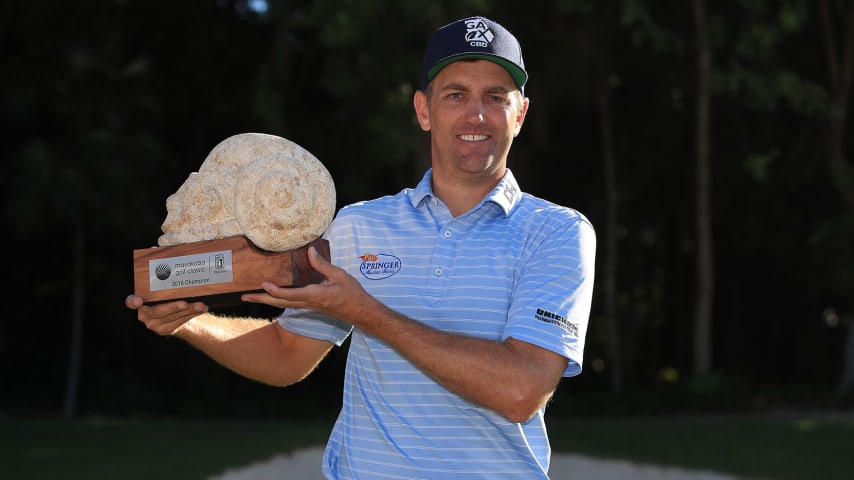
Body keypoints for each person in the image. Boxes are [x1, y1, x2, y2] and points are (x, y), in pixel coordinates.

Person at [127, 15, 596, 479]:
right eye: (456, 94)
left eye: (495, 97)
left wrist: (366, 312)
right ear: (424, 110)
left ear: (520, 113)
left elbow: (520, 390)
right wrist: (189, 323)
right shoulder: (358, 226)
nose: (476, 114)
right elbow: (287, 354)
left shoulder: (556, 232)